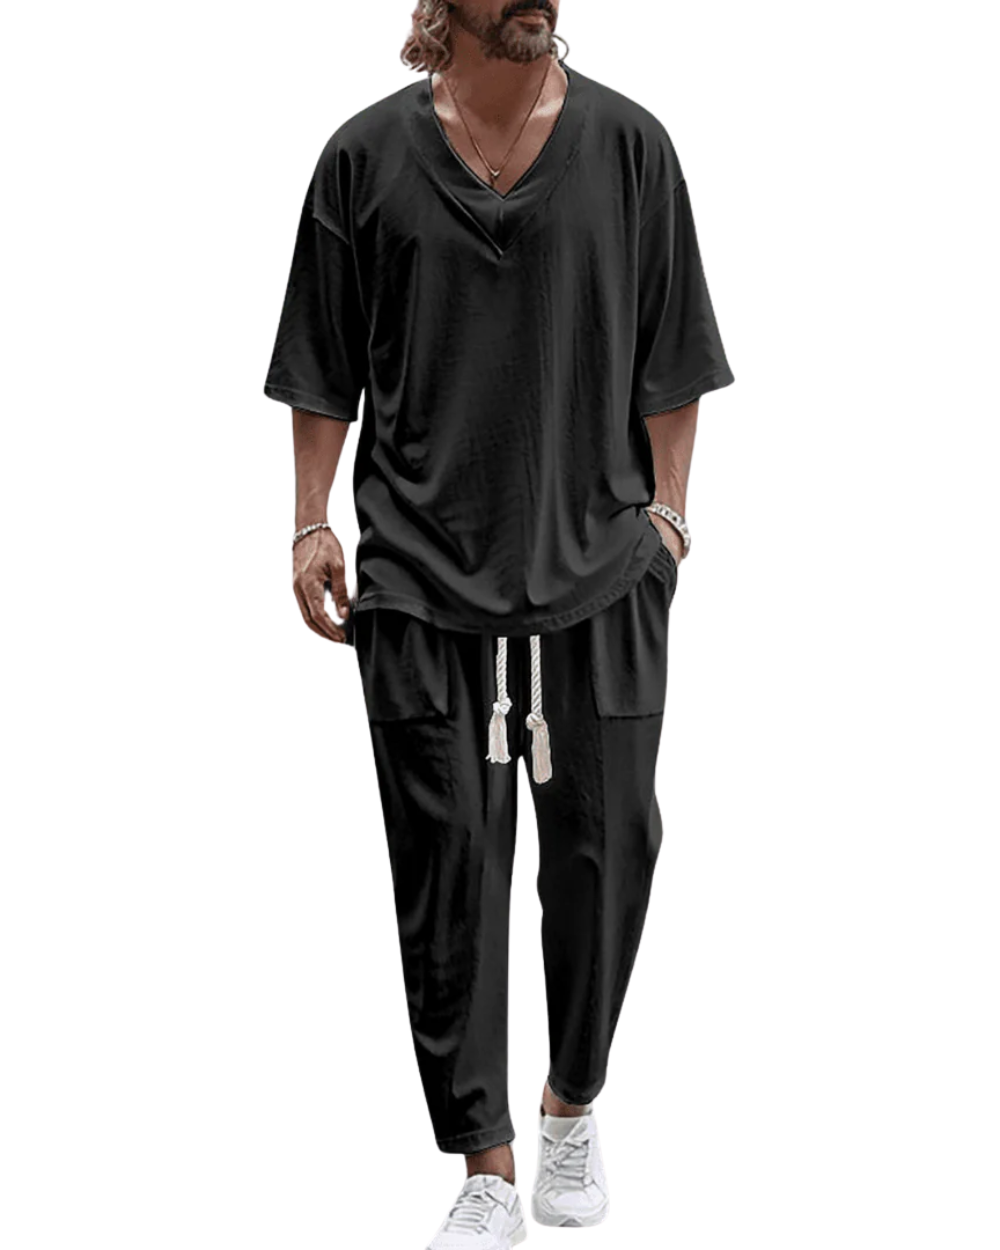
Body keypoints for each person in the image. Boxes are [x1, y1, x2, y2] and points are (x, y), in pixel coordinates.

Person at [262, 2, 733, 1244]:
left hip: (601, 562)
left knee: (608, 847)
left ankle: (571, 1102)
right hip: (419, 573)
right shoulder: (363, 158)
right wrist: (310, 522)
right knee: (446, 870)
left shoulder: (630, 147)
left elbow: (674, 352)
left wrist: (668, 521)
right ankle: (485, 1164)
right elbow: (321, 363)